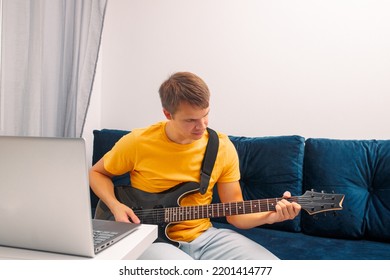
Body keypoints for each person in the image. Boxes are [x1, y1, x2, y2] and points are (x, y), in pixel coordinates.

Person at [89, 72, 301, 260]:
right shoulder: (137, 142)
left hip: (204, 236)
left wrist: (271, 216)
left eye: (205, 114)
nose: (202, 126)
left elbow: (236, 214)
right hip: (150, 237)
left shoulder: (222, 148)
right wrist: (116, 206)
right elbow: (96, 173)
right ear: (168, 114)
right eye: (191, 120)